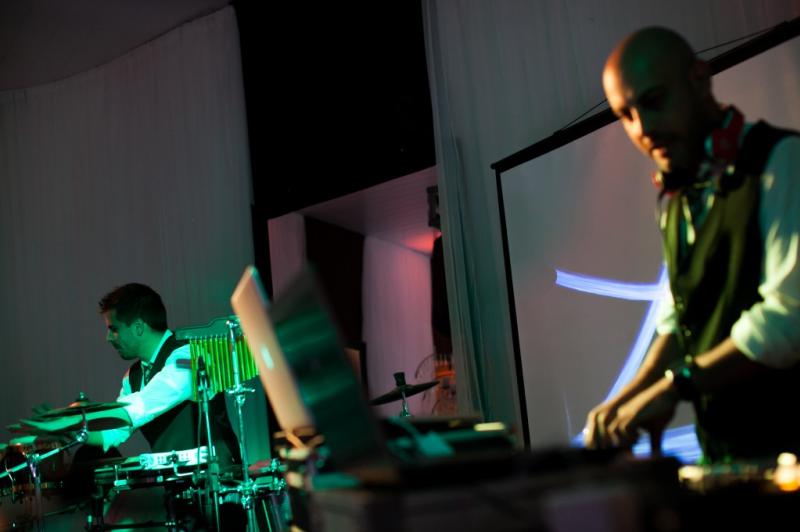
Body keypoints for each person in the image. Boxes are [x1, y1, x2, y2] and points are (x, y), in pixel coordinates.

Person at [584, 27, 800, 463]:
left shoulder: (783, 161)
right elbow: (676, 323)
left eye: (654, 100)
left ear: (699, 79)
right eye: (626, 115)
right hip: (727, 461)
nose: (643, 128)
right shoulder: (676, 201)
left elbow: (788, 319)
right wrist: (623, 401)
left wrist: (675, 388)